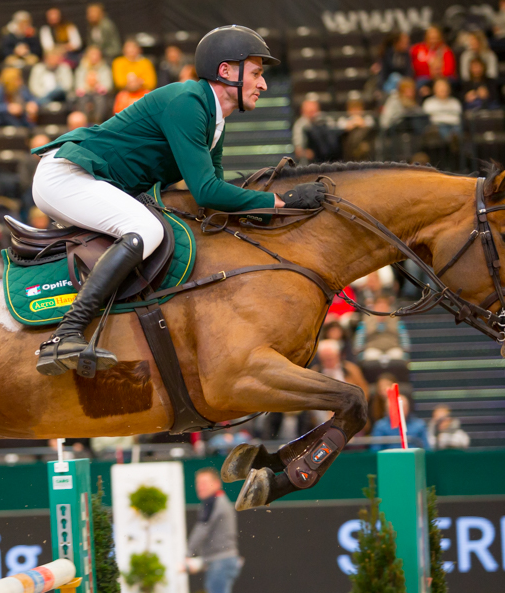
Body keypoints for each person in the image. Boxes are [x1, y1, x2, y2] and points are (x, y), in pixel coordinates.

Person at [30, 26, 326, 375]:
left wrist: (273, 211)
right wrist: (279, 202)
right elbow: (206, 191)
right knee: (146, 229)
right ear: (226, 71)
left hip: (89, 180)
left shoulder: (214, 120)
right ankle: (67, 333)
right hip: (68, 175)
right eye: (256, 73)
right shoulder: (188, 102)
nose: (262, 85)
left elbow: (214, 194)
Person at [186, 468, 241, 593]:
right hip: (220, 561)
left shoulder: (214, 502)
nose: (200, 487)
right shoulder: (214, 502)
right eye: (198, 483)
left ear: (217, 484)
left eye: (204, 483)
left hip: (221, 562)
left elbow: (201, 530)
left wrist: (187, 554)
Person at [353, 296, 411, 360]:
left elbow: (403, 336)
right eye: (379, 306)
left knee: (398, 354)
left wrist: (405, 350)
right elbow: (360, 337)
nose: (381, 309)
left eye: (384, 307)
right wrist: (359, 351)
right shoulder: (366, 320)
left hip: (392, 348)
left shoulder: (396, 320)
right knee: (370, 355)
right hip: (372, 349)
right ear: (374, 307)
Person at [409, 26, 456, 96]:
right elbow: (414, 66)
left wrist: (438, 73)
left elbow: (450, 69)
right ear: (426, 37)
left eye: (436, 38)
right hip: (423, 79)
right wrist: (430, 71)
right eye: (431, 38)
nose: (433, 41)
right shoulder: (417, 49)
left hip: (443, 78)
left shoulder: (446, 50)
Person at [291, 98, 339, 164]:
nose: (312, 114)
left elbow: (336, 128)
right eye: (309, 111)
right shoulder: (300, 126)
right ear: (303, 111)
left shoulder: (323, 121)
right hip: (309, 164)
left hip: (328, 161)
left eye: (314, 111)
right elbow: (298, 152)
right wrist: (310, 153)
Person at [74, 45, 113, 124]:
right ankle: (83, 122)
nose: (94, 57)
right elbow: (78, 84)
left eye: (96, 54)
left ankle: (97, 121)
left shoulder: (104, 68)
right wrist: (86, 87)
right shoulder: (82, 68)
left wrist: (98, 87)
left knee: (100, 99)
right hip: (85, 93)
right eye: (92, 54)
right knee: (82, 99)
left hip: (99, 93)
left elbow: (108, 85)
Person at [422, 79, 462, 143]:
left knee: (458, 130)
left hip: (454, 125)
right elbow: (427, 117)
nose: (443, 89)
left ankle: (454, 141)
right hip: (438, 126)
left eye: (445, 87)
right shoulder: (429, 102)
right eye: (440, 88)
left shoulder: (454, 102)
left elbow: (458, 115)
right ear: (435, 89)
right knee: (442, 130)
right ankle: (450, 143)